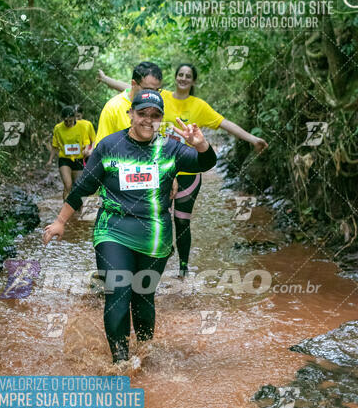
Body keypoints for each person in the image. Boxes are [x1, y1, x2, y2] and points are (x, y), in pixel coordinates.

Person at [43, 90, 217, 364]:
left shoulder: (170, 148)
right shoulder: (110, 145)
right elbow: (83, 186)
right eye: (142, 113)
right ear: (131, 114)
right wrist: (60, 221)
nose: (148, 120)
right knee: (118, 293)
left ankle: (144, 355)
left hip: (155, 238)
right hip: (113, 231)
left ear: (161, 119)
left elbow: (205, 163)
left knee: (143, 298)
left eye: (155, 115)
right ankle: (121, 364)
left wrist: (201, 144)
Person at [98, 63, 269, 276]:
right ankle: (147, 259)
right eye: (180, 74)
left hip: (188, 173)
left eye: (188, 76)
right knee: (158, 215)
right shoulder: (161, 98)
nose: (184, 78)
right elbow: (135, 89)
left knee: (181, 219)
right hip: (161, 172)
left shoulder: (199, 106)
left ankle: (183, 267)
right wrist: (106, 79)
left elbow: (224, 123)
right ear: (175, 77)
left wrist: (252, 139)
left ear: (193, 81)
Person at [47, 106, 92, 200]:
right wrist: (50, 160)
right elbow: (55, 146)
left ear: (75, 118)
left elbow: (86, 142)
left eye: (70, 121)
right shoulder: (58, 128)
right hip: (65, 159)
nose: (68, 123)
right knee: (68, 185)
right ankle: (65, 210)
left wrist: (86, 149)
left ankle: (78, 212)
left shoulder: (82, 126)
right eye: (65, 121)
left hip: (78, 159)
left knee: (77, 187)